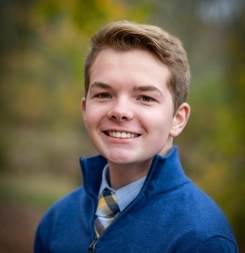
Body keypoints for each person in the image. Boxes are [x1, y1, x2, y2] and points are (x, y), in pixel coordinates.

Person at [34, 20, 239, 253]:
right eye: (104, 94)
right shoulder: (57, 220)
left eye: (145, 97)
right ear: (85, 110)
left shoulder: (201, 239)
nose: (120, 111)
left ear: (177, 118)